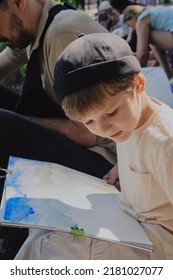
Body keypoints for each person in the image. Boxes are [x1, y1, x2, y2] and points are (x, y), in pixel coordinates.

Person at [0, 0, 117, 259]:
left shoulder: (61, 32)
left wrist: (19, 125)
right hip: (83, 143)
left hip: (107, 164)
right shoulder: (33, 33)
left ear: (18, 3)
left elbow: (88, 133)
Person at [52, 32, 173, 259]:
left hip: (157, 248)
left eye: (111, 112)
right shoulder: (126, 124)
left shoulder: (166, 144)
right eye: (89, 122)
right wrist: (120, 169)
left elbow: (153, 152)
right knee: (48, 234)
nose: (103, 129)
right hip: (129, 222)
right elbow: (140, 153)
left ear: (137, 84)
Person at [122, 5, 173, 83]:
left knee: (147, 36)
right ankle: (168, 75)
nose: (132, 29)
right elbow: (152, 52)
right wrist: (137, 55)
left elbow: (143, 54)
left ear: (133, 16)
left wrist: (133, 77)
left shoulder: (142, 19)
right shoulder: (151, 12)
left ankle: (168, 75)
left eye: (129, 25)